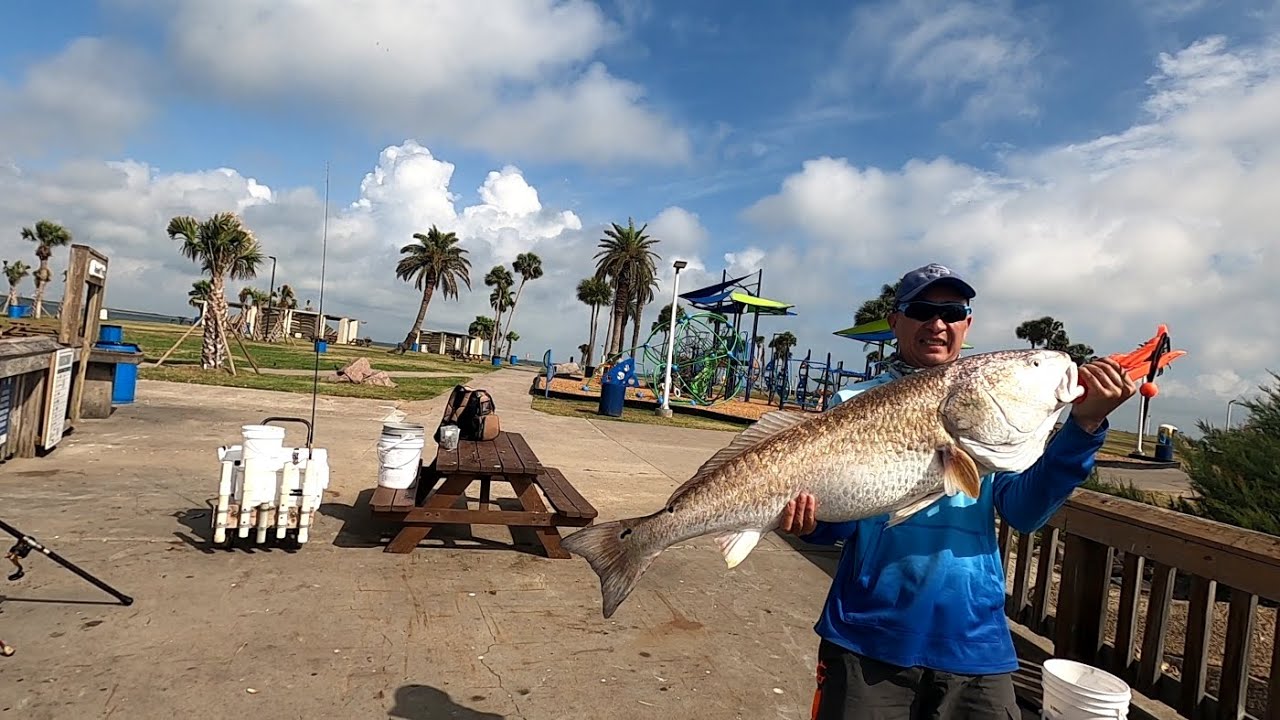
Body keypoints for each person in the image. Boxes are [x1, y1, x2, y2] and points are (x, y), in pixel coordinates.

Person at [779, 263, 1136, 719]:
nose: (937, 323)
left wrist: (1084, 428)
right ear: (895, 321)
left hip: (975, 641)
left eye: (952, 312)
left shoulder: (994, 414)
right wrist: (813, 522)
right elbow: (838, 522)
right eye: (922, 310)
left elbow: (1024, 512)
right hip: (868, 637)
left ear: (967, 323)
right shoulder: (851, 404)